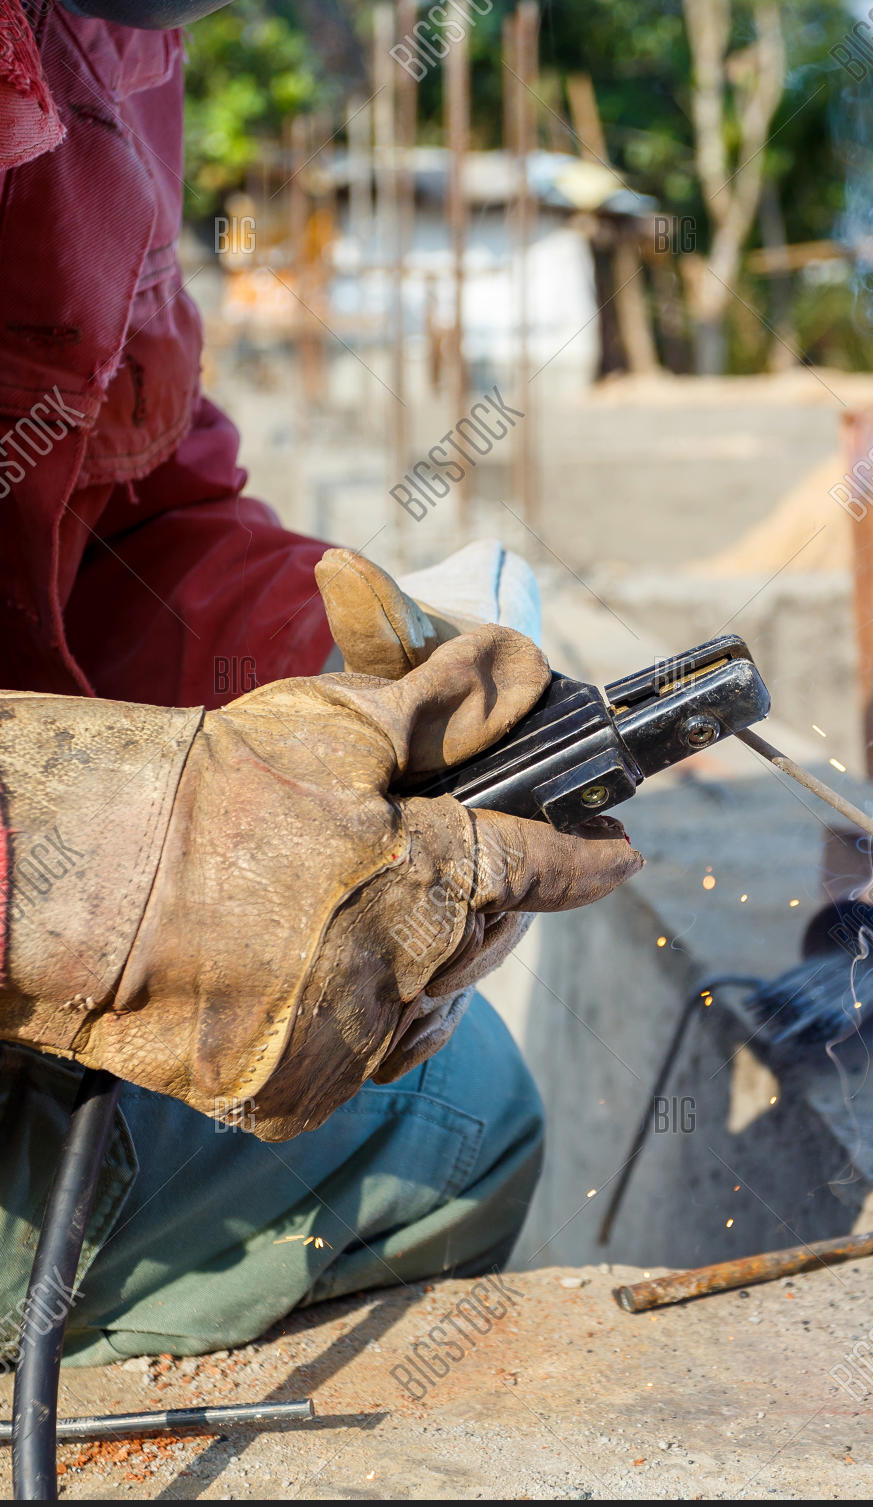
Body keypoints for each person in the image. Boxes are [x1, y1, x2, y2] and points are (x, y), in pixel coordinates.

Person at [0, 0, 638, 1366]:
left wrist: (363, 688)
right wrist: (120, 872)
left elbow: (122, 527)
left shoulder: (105, 47)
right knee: (462, 1130)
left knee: (450, 1078)